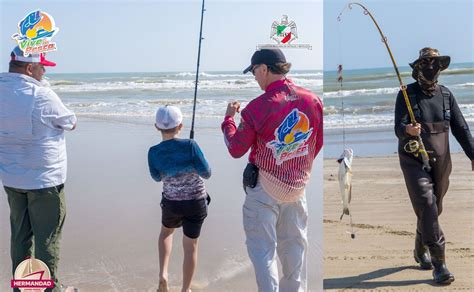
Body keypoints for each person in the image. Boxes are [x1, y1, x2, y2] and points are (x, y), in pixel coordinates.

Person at [221, 48, 323, 292]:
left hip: (264, 188)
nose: (254, 76)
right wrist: (296, 168)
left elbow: (236, 149)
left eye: (254, 71)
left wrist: (228, 121)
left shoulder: (257, 107)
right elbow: (316, 144)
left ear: (265, 68)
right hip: (297, 187)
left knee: (262, 251)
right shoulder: (313, 100)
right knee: (295, 249)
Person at [394, 47, 474, 285]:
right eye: (425, 63)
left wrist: (473, 154)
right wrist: (407, 130)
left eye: (435, 63)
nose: (430, 67)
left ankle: (420, 249)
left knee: (434, 209)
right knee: (427, 205)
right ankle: (440, 265)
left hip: (441, 162)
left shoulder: (446, 95)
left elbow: (461, 129)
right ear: (417, 68)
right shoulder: (406, 94)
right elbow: (398, 128)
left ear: (440, 67)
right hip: (413, 161)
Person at [0, 46, 77, 291]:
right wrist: (44, 88)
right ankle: (47, 288)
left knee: (21, 237)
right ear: (30, 68)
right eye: (42, 67)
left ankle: (23, 287)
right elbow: (70, 122)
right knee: (47, 239)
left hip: (12, 178)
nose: (45, 72)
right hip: (44, 180)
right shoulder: (41, 94)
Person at [147, 105, 211, 292]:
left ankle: (163, 274)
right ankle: (185, 289)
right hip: (195, 202)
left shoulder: (153, 151)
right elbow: (206, 173)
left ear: (157, 127)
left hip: (171, 203)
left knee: (166, 233)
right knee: (190, 246)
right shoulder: (190, 146)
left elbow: (156, 177)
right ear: (180, 126)